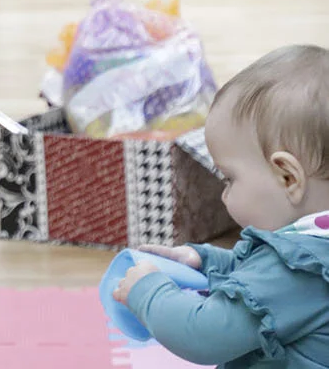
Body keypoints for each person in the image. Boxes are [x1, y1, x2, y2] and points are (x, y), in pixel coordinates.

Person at [112, 44, 329, 369]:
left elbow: (202, 333)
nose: (223, 195)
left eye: (229, 178)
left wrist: (148, 292)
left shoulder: (295, 270)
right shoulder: (314, 250)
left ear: (287, 177)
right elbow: (262, 283)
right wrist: (205, 261)